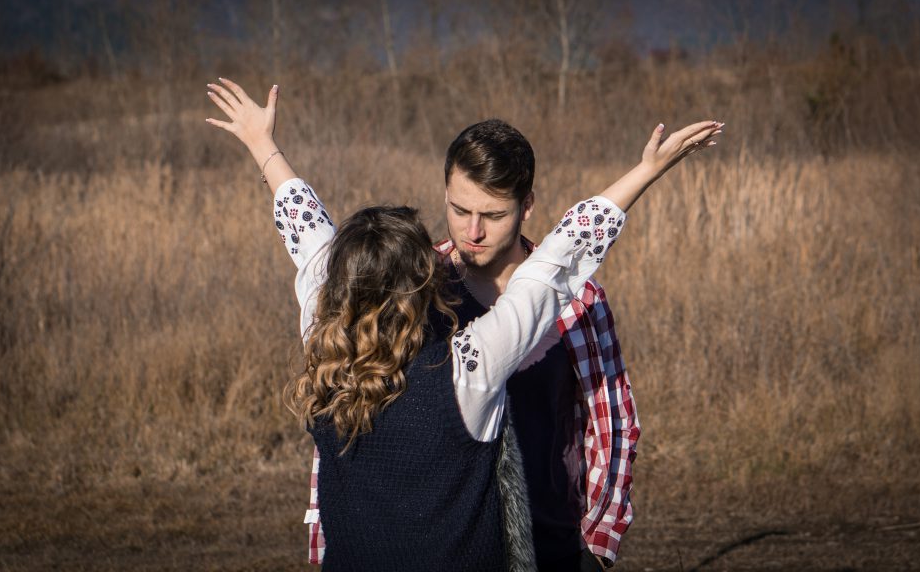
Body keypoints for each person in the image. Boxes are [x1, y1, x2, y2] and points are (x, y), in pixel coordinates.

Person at [206, 77, 721, 572]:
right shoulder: (468, 370)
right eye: (457, 211)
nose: (470, 233)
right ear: (420, 286)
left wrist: (262, 145)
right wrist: (644, 173)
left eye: (492, 215)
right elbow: (556, 265)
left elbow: (313, 243)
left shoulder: (325, 332)